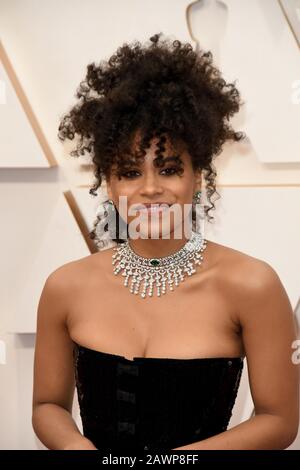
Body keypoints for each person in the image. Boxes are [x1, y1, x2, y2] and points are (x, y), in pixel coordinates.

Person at [32, 33, 299, 451]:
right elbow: (48, 405)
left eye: (169, 168)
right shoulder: (65, 287)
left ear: (198, 178)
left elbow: (279, 421)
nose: (151, 188)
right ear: (108, 183)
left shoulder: (253, 285)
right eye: (130, 172)